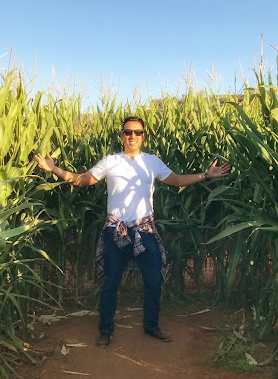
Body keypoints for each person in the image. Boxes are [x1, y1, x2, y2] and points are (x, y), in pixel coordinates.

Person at [35, 115, 231, 348]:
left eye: (137, 132)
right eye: (128, 132)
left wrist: (207, 175)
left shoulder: (152, 162)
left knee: (153, 280)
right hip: (115, 229)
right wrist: (55, 169)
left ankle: (151, 326)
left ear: (143, 136)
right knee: (110, 283)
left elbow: (176, 180)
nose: (132, 136)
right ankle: (105, 331)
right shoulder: (110, 162)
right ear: (122, 136)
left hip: (144, 229)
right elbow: (83, 180)